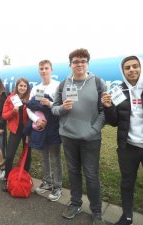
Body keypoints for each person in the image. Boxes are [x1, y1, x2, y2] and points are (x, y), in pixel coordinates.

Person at [51, 48, 106, 225]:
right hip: (68, 137)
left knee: (91, 175)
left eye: (83, 61)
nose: (79, 64)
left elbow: (104, 111)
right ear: (70, 65)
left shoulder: (98, 82)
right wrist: (62, 109)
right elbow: (54, 108)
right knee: (74, 172)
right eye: (76, 61)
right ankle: (75, 203)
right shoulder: (63, 84)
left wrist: (93, 130)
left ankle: (96, 211)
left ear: (87, 64)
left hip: (91, 138)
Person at [102, 55, 143, 225]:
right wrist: (108, 106)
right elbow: (113, 122)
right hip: (128, 147)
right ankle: (127, 216)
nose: (132, 70)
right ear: (123, 71)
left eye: (135, 66)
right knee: (127, 182)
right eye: (128, 68)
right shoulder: (118, 90)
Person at [26, 60, 62, 201]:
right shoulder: (36, 88)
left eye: (46, 68)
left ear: (51, 70)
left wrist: (51, 103)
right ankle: (47, 181)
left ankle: (57, 185)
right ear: (39, 71)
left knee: (55, 158)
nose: (44, 70)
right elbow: (29, 108)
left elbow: (63, 107)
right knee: (43, 157)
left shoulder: (57, 86)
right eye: (41, 68)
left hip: (54, 128)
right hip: (41, 128)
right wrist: (36, 120)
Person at [2, 77, 31, 191]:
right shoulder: (11, 98)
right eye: (20, 85)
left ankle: (24, 178)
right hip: (15, 130)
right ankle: (7, 178)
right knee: (9, 155)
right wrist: (12, 112)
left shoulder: (30, 98)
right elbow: (4, 115)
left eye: (24, 86)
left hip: (27, 130)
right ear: (17, 86)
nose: (22, 88)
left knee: (27, 156)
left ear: (27, 87)